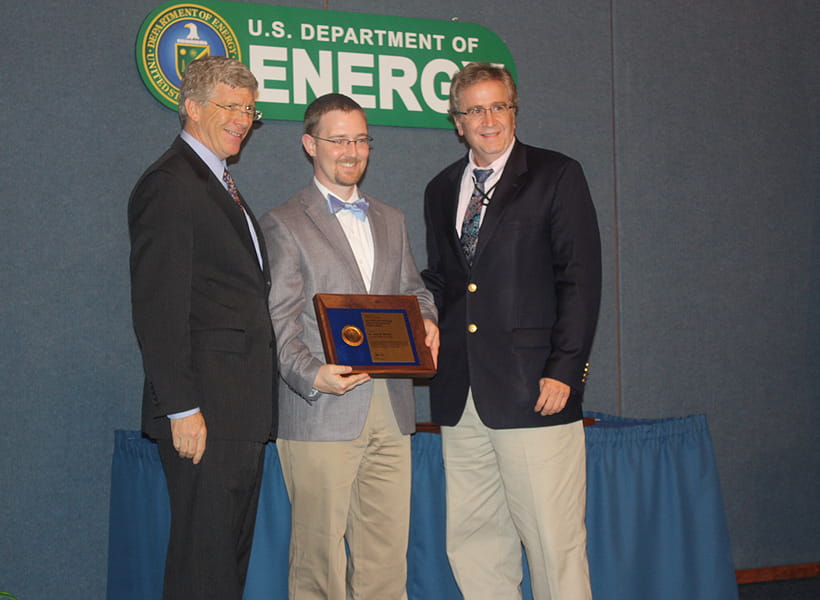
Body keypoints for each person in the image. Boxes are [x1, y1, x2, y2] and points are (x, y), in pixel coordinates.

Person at [422, 63, 602, 599]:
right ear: (457, 121)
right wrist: (423, 316)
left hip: (535, 391)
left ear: (514, 110)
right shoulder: (440, 189)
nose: (489, 118)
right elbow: (442, 278)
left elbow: (581, 279)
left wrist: (565, 369)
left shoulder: (556, 174)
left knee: (553, 542)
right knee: (475, 543)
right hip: (461, 393)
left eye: (498, 105)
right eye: (474, 109)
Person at [260, 93, 439, 600]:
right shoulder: (285, 222)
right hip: (321, 412)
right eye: (339, 139)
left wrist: (427, 321)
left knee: (385, 562)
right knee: (319, 568)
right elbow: (277, 321)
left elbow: (414, 291)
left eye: (360, 139)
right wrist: (311, 375)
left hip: (392, 408)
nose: (352, 150)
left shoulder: (391, 218)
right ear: (309, 144)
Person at [128, 56, 277, 600]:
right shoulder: (171, 184)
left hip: (237, 411)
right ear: (191, 108)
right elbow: (157, 308)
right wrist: (182, 408)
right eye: (230, 106)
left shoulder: (217, 182)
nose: (243, 118)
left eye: (249, 108)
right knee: (203, 567)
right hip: (206, 413)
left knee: (223, 566)